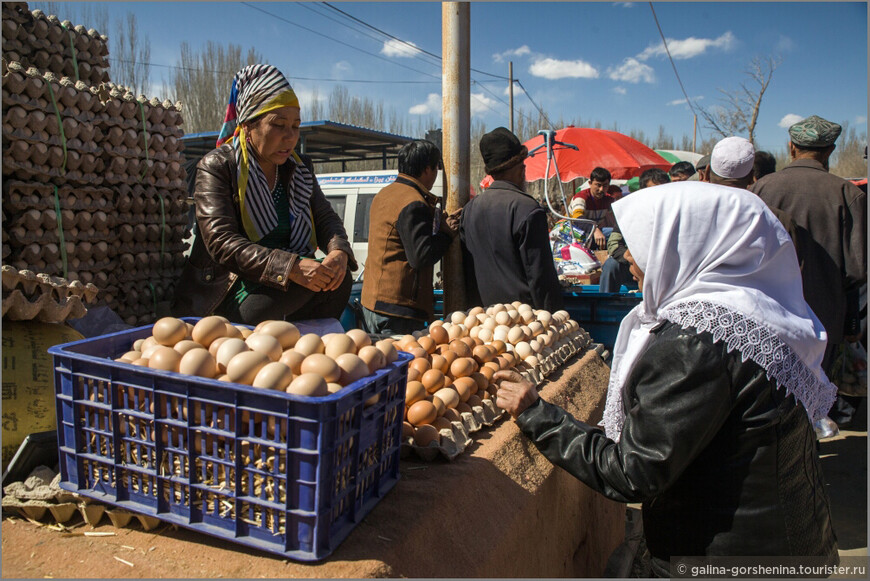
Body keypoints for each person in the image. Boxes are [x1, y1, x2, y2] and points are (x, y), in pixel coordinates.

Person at [494, 182, 839, 576]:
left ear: (682, 246)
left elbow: (634, 471)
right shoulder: (759, 312)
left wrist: (538, 413)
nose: (626, 257)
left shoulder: (696, 344)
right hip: (791, 542)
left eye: (642, 243)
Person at [172, 64, 355, 325]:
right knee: (288, 293)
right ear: (247, 126)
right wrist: (290, 267)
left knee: (338, 279)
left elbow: (326, 217)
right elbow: (221, 241)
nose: (289, 137)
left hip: (287, 289)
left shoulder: (299, 167)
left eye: (295, 126)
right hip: (232, 293)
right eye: (278, 125)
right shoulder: (218, 166)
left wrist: (338, 252)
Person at [752, 115, 867, 428]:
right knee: (813, 392)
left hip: (769, 310)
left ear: (791, 148)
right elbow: (858, 268)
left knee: (768, 390)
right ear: (829, 150)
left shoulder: (763, 187)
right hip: (823, 315)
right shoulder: (848, 193)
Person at [361, 140, 459, 334]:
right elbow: (420, 256)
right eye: (436, 168)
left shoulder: (385, 193)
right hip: (396, 309)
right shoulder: (414, 202)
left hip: (372, 302)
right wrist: (446, 234)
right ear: (427, 170)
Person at [460, 127, 563, 312]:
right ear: (520, 168)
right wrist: (553, 319)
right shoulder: (527, 209)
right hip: (524, 320)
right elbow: (540, 277)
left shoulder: (469, 209)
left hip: (484, 319)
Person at [599, 169, 669, 293]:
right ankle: (605, 305)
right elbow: (614, 245)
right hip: (634, 266)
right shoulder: (630, 214)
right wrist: (635, 261)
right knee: (611, 265)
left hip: (665, 268)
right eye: (654, 190)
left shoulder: (673, 213)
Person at [567, 167, 617, 249]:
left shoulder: (609, 200)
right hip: (572, 233)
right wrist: (595, 230)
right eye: (598, 185)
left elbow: (619, 217)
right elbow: (578, 220)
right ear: (590, 183)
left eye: (605, 186)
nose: (601, 189)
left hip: (591, 234)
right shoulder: (581, 198)